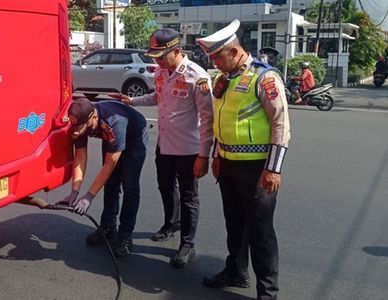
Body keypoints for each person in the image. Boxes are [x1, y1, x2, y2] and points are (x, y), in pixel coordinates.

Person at [197, 19, 290, 300]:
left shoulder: (265, 77)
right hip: (227, 164)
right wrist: (216, 155)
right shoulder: (222, 79)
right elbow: (219, 120)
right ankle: (236, 271)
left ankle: (268, 293)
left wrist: (273, 169)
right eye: (211, 58)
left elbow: (281, 124)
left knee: (261, 232)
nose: (215, 63)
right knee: (234, 223)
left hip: (258, 168)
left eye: (218, 57)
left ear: (235, 52)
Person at [113, 28, 214, 268]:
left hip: (189, 149)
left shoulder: (196, 76)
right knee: (166, 187)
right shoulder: (161, 72)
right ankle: (172, 223)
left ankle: (187, 244)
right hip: (164, 145)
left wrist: (204, 154)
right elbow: (157, 97)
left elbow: (207, 118)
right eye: (155, 57)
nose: (157, 61)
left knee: (189, 196)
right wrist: (133, 101)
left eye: (161, 56)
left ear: (177, 51)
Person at [56, 98, 149, 257]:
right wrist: (75, 192)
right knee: (111, 183)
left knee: (130, 186)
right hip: (110, 139)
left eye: (81, 128)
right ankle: (108, 227)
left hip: (135, 137)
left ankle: (125, 235)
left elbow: (109, 164)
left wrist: (89, 197)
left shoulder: (114, 123)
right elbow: (80, 157)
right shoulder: (79, 122)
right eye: (75, 127)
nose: (77, 131)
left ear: (93, 117)